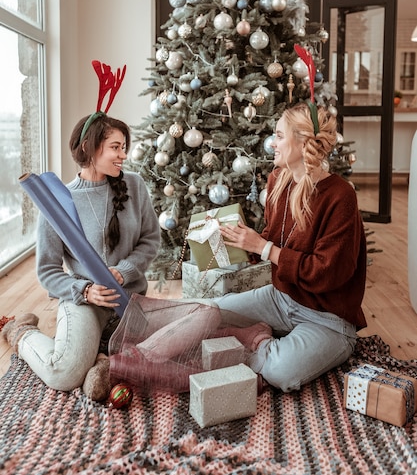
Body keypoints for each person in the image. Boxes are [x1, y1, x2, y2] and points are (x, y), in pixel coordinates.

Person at [104, 101, 367, 398]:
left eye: (279, 136)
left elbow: (327, 273)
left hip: (328, 317)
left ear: (303, 141)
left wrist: (263, 246)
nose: (273, 143)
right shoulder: (279, 181)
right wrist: (235, 240)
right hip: (282, 298)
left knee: (281, 372)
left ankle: (255, 340)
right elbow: (272, 239)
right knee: (210, 311)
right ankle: (131, 361)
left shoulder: (340, 196)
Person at [2, 112, 160, 397]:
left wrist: (124, 271)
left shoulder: (135, 186)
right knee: (64, 374)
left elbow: (150, 240)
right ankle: (22, 333)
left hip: (130, 301)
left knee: (162, 358)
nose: (123, 154)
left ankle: (102, 361)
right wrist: (85, 290)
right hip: (84, 302)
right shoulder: (58, 203)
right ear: (89, 146)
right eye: (116, 147)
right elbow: (48, 271)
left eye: (124, 146)